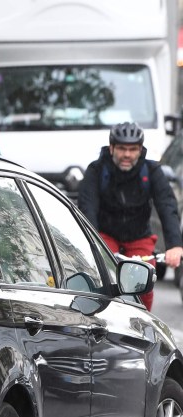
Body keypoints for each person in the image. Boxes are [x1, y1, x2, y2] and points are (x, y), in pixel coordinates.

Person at [78, 122, 182, 310]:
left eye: (133, 149)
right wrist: (92, 244)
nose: (127, 155)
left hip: (138, 236)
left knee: (143, 281)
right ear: (111, 148)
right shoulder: (96, 170)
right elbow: (87, 208)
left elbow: (167, 205)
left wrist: (174, 245)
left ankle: (143, 323)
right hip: (105, 235)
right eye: (122, 149)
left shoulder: (151, 170)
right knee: (103, 277)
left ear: (140, 149)